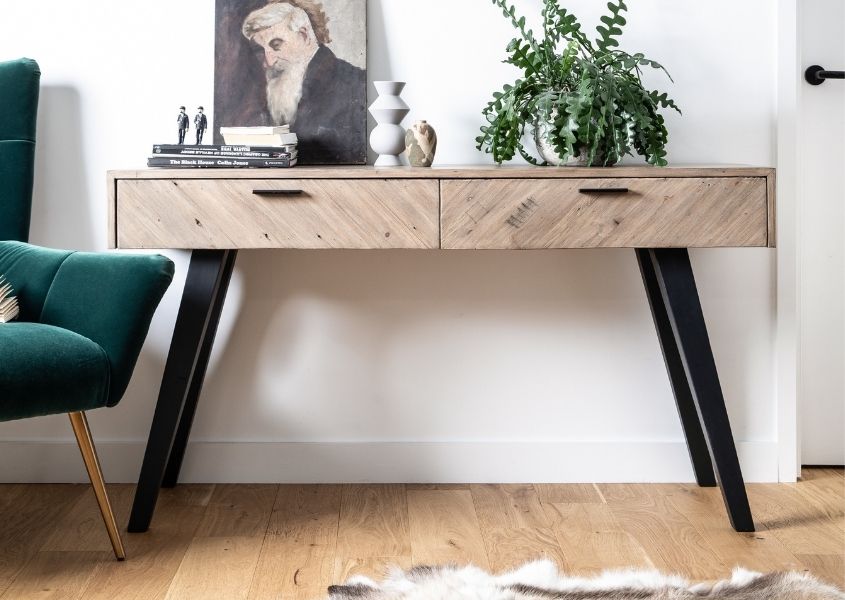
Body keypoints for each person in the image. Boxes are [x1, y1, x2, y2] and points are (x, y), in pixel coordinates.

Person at [241, 1, 366, 163]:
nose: (269, 62)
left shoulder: (356, 84)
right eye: (262, 50)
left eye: (276, 45)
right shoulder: (278, 91)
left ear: (304, 35)